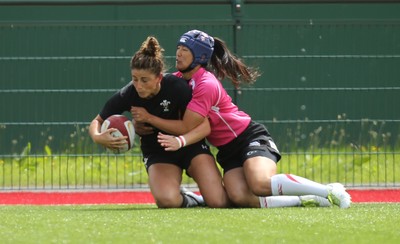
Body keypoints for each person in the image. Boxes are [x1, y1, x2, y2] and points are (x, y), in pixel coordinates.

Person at [132, 30, 351, 208]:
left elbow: (189, 125)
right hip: (228, 150)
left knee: (260, 184)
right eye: (178, 48)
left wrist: (149, 118)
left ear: (199, 57)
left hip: (248, 138)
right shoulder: (178, 80)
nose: (178, 54)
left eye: (185, 50)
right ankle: (304, 199)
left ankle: (329, 191)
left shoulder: (206, 84)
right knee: (239, 197)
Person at [89, 36, 231, 208]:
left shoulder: (177, 87)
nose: (138, 85)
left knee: (218, 202)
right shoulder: (128, 93)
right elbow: (97, 121)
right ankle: (192, 199)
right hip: (158, 151)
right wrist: (98, 137)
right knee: (167, 201)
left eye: (144, 80)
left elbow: (204, 125)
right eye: (134, 78)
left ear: (159, 78)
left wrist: (149, 118)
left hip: (190, 147)